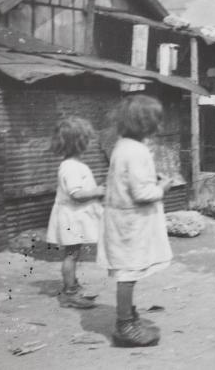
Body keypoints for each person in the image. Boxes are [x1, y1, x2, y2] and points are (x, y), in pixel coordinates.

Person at [98, 95, 173, 347]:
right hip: (130, 223)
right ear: (148, 124)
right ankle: (124, 326)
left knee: (127, 271)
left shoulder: (122, 146)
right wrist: (163, 187)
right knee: (127, 273)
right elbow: (142, 194)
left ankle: (129, 316)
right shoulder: (137, 151)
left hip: (121, 218)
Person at [46, 117, 105, 309]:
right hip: (71, 216)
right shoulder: (71, 167)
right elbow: (77, 194)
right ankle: (70, 293)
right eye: (86, 139)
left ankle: (72, 286)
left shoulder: (74, 164)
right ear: (79, 142)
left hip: (75, 215)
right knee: (71, 254)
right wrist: (98, 191)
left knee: (74, 252)